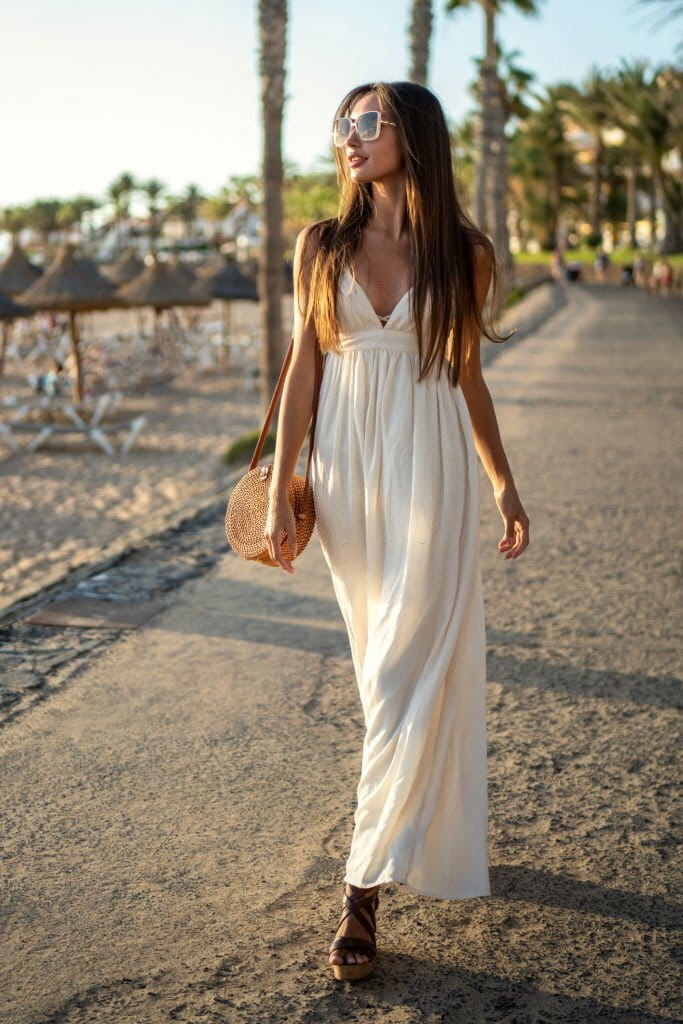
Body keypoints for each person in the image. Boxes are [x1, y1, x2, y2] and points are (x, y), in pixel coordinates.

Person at [264, 81, 530, 982]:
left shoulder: (465, 252)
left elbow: (465, 377)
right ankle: (401, 825)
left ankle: (360, 893)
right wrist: (279, 490)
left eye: (367, 123)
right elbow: (304, 369)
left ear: (412, 136)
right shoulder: (321, 245)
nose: (350, 137)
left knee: (405, 666)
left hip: (432, 470)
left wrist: (504, 485)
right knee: (382, 670)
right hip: (344, 477)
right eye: (343, 124)